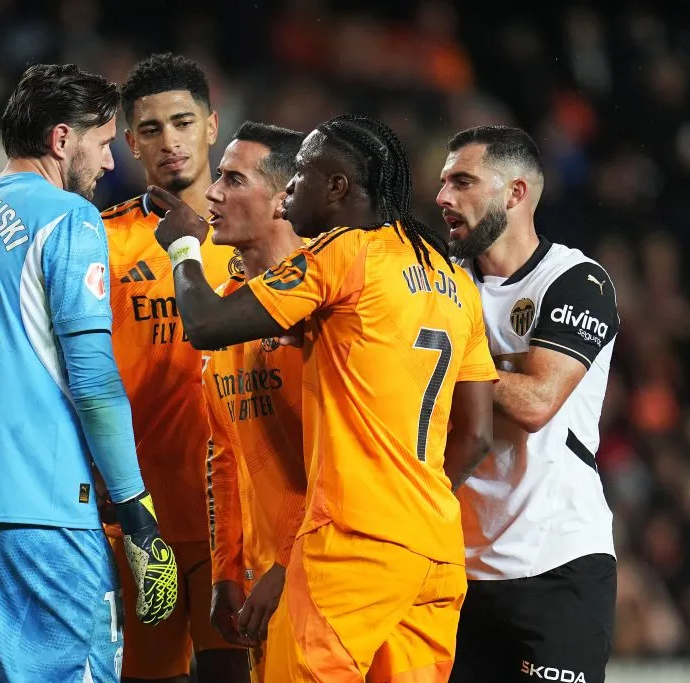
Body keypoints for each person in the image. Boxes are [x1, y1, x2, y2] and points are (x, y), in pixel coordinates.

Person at [150, 113, 498, 682]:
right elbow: (477, 434)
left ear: (337, 187)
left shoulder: (345, 253)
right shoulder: (453, 279)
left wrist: (185, 246)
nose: (291, 187)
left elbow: (206, 324)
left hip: (352, 543)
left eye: (303, 173)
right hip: (432, 546)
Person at [0, 63, 178, 683]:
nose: (110, 161)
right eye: (103, 142)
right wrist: (136, 511)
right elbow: (94, 381)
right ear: (62, 140)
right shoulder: (68, 217)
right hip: (37, 508)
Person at [438, 126, 618, 683]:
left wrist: (441, 363)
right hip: (456, 568)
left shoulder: (574, 280)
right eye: (443, 182)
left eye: (462, 181)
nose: (443, 197)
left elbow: (537, 402)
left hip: (557, 564)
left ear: (515, 193)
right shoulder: (443, 284)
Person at [100, 53, 246, 683]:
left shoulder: (257, 238)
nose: (170, 142)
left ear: (212, 125)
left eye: (183, 122)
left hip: (235, 519)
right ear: (130, 143)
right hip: (140, 520)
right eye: (151, 129)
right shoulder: (102, 240)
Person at [198, 121, 308, 682]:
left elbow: (345, 462)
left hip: (329, 572)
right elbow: (223, 453)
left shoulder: (328, 305)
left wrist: (288, 565)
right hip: (260, 585)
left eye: (233, 180)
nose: (213, 193)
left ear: (284, 198)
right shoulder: (226, 308)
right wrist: (226, 571)